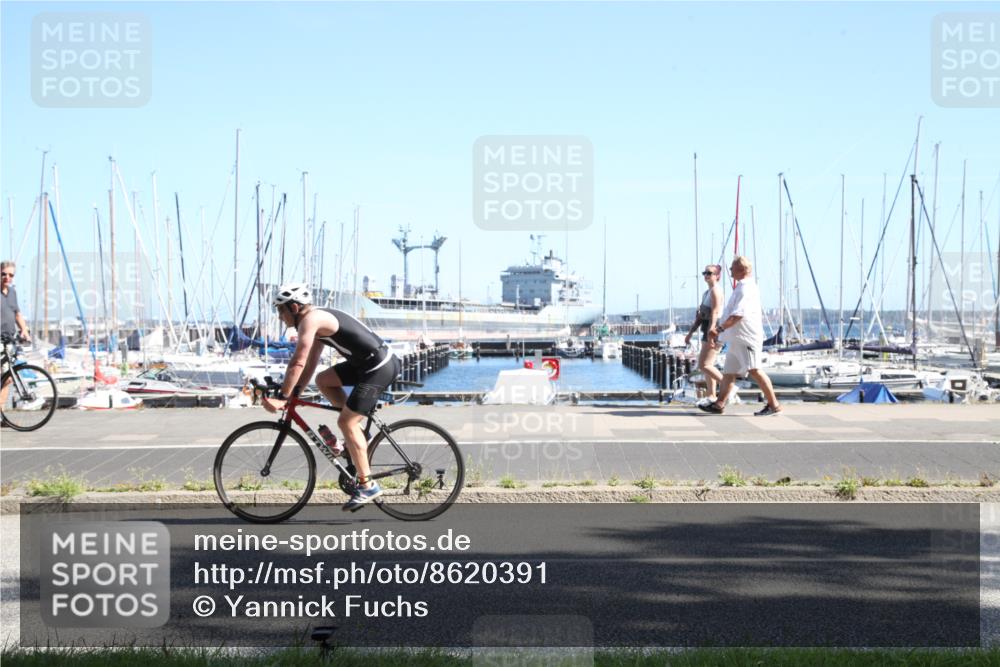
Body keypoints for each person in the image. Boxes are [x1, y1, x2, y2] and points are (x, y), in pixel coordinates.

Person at [261, 282, 401, 510]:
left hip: (379, 366)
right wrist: (295, 393)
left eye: (280, 310)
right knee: (323, 380)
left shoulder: (311, 320)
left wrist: (284, 397)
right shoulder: (314, 321)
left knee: (346, 421)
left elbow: (298, 360)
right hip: (366, 364)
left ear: (294, 307)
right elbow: (309, 364)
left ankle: (367, 486)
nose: (279, 316)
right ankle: (357, 434)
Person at [697, 256, 781, 416]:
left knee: (755, 370)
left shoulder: (746, 288)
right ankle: (719, 404)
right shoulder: (742, 286)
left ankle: (774, 405)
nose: (729, 271)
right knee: (729, 372)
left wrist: (718, 329)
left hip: (746, 338)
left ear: (742, 270)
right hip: (737, 339)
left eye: (732, 268)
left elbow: (738, 314)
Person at [684, 264, 724, 402]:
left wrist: (711, 331)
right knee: (708, 366)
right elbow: (701, 316)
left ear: (717, 276)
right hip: (707, 327)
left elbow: (715, 312)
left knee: (704, 365)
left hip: (713, 328)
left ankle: (728, 387)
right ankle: (711, 395)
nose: (706, 275)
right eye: (705, 273)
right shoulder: (707, 293)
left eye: (710, 273)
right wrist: (690, 333)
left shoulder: (716, 291)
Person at [1, 261, 31, 412]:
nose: (7, 277)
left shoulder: (12, 292)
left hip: (9, 339)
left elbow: (17, 314)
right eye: (4, 274)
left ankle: (0, 415)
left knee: (7, 379)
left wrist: (24, 330)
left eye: (10, 275)